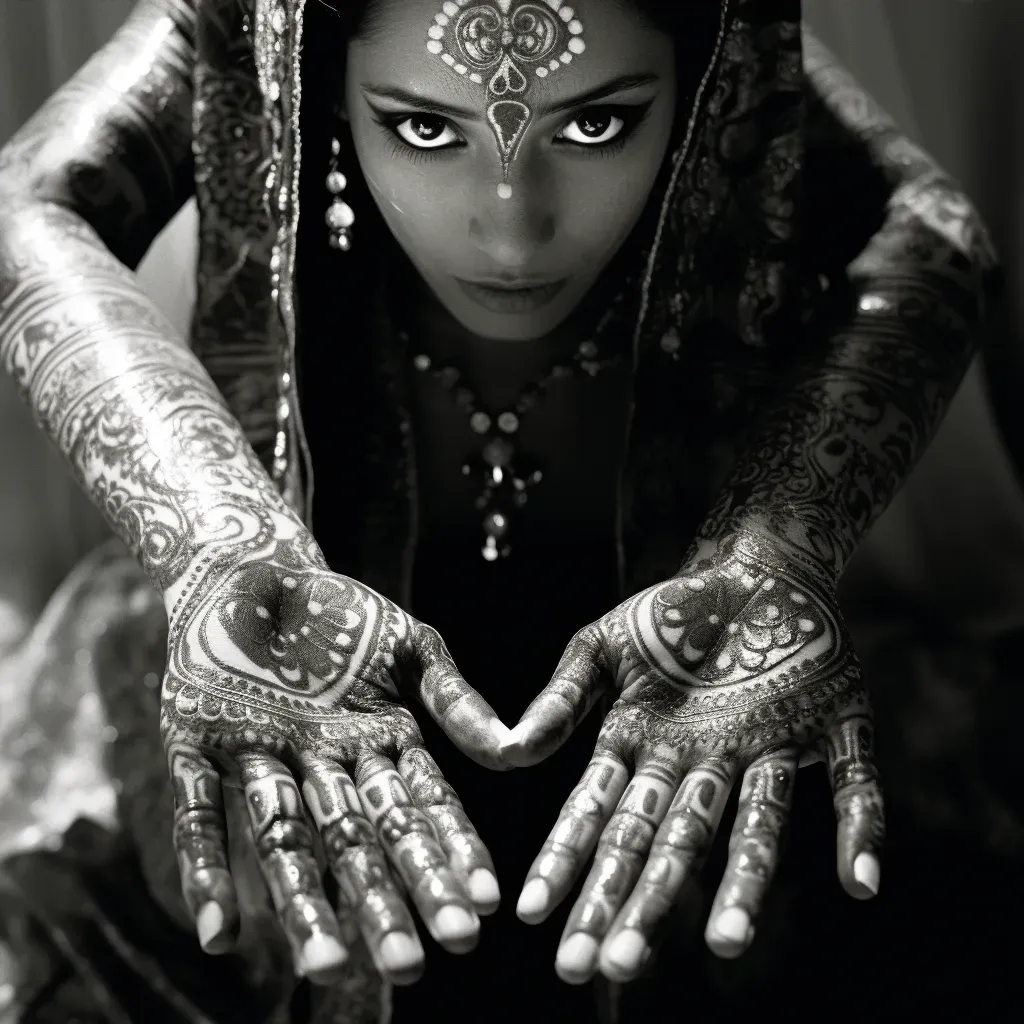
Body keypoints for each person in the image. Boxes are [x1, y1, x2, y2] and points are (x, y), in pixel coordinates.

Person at [0, 0, 1000, 1022]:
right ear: (322, 89)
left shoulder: (734, 35)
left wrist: (778, 542)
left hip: (668, 684)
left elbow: (930, 229)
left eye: (596, 124)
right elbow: (27, 204)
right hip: (299, 666)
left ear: (705, 85)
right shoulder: (251, 17)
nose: (514, 227)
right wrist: (220, 538)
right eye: (426, 129)